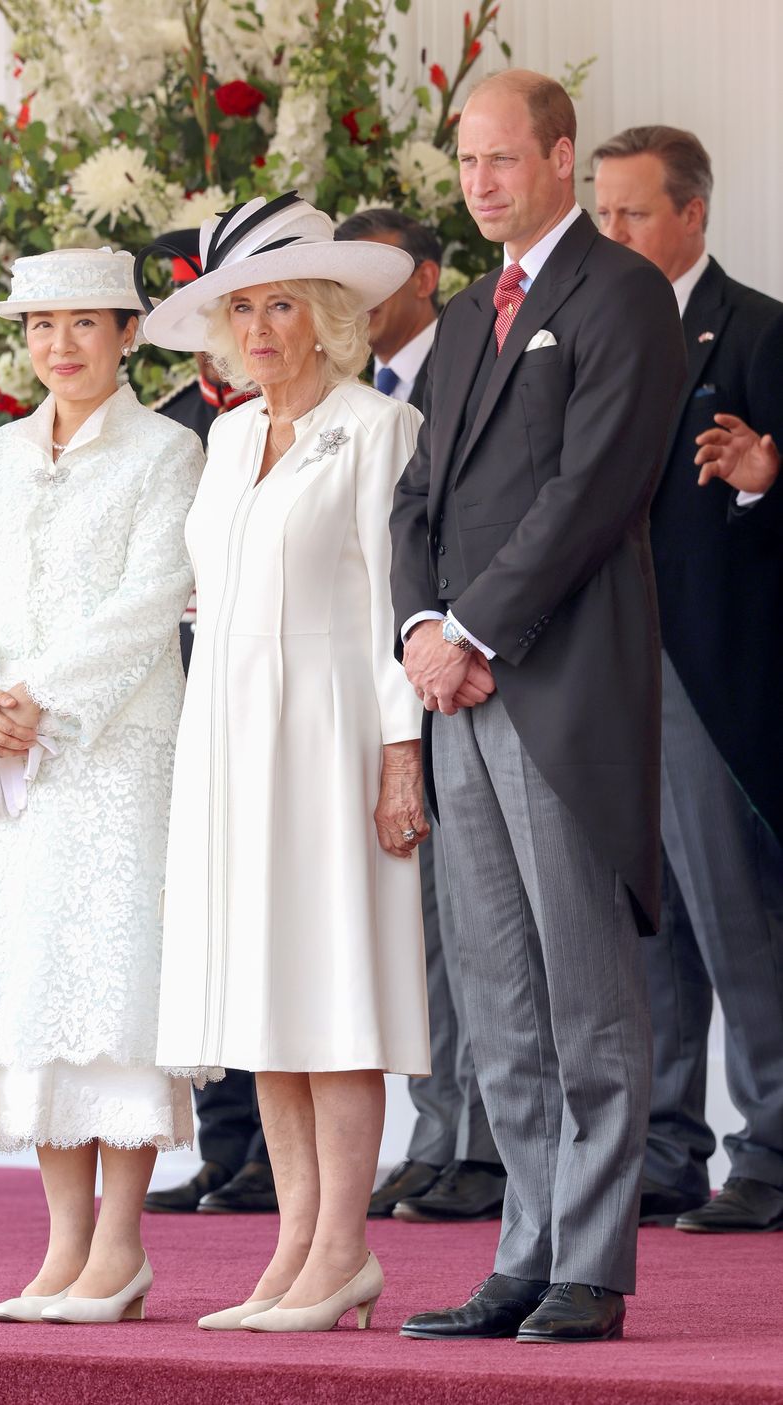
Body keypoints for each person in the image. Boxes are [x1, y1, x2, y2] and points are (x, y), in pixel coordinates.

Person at [391, 70, 686, 1345]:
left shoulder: (621, 297)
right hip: (455, 695)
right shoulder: (464, 315)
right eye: (464, 165)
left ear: (560, 159)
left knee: (583, 994)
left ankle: (592, 1264)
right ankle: (521, 1249)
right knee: (498, 994)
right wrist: (416, 630)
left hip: (556, 686)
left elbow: (590, 493)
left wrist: (468, 629)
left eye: (501, 160)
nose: (479, 184)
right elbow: (416, 501)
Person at [138, 191, 432, 1333]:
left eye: (278, 305)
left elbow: (392, 607)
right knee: (261, 994)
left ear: (322, 315)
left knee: (331, 991)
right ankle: (293, 1249)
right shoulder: (221, 437)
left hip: (330, 735)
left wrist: (397, 751)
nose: (257, 328)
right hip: (229, 736)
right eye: (240, 309)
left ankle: (343, 1249)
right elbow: (208, 606)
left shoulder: (376, 428)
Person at [0, 247, 205, 1324]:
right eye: (41, 325)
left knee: (107, 984)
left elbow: (151, 596)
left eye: (85, 323)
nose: (61, 345)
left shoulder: (168, 453)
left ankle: (119, 1247)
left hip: (109, 752)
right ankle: (63, 1244)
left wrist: (33, 700)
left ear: (128, 333)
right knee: (29, 984)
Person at [594, 126, 783, 1235]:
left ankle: (769, 1143)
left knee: (731, 914)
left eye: (629, 212)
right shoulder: (580, 334)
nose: (609, 232)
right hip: (599, 673)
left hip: (709, 674)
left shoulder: (758, 329)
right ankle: (664, 1146)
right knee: (639, 923)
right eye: (600, 212)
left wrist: (765, 483)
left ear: (691, 215)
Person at [335, 208, 504, 1225]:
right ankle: (438, 1134)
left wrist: (449, 636)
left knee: (482, 925)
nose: (354, 303)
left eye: (373, 279)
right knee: (429, 928)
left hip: (471, 666)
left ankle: (482, 1145)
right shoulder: (358, 399)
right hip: (399, 667)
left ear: (425, 277)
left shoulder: (472, 352)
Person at [145, 233, 276, 1216]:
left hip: (274, 690)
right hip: (183, 691)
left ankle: (279, 1149)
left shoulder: (292, 411)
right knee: (208, 920)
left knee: (274, 914)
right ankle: (226, 1143)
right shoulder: (168, 427)